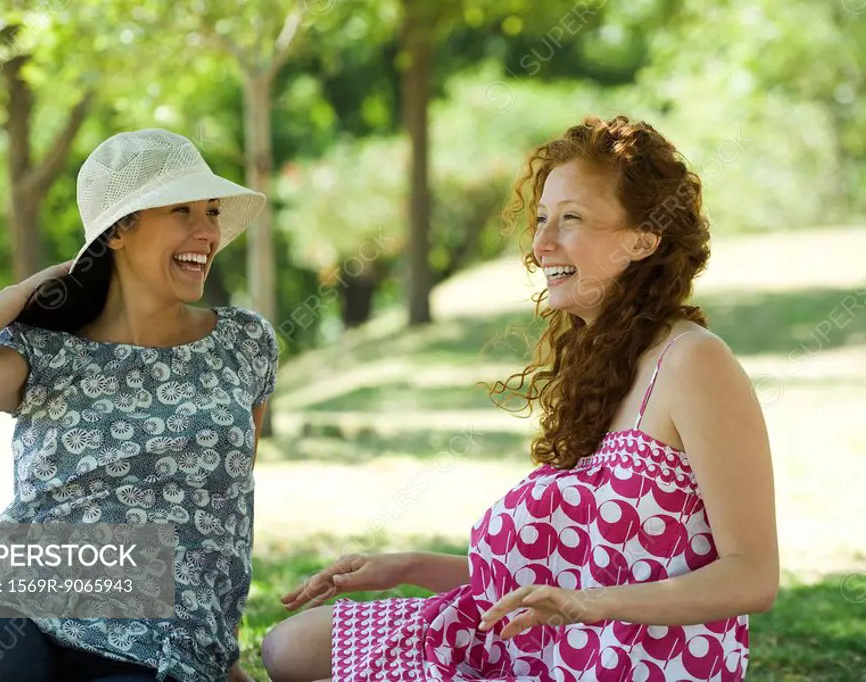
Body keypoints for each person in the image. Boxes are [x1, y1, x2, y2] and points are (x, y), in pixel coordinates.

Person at [260, 115, 779, 682]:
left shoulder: (694, 362)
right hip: (537, 645)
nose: (541, 243)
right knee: (289, 648)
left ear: (643, 239)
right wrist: (404, 566)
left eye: (571, 219)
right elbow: (545, 584)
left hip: (624, 664)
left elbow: (751, 577)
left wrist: (593, 605)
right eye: (541, 220)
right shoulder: (602, 365)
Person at [0, 129, 277, 682]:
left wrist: (222, 649)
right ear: (119, 229)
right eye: (182, 210)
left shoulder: (244, 342)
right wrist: (36, 285)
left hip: (164, 632)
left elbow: (229, 503)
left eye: (212, 212)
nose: (207, 232)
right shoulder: (47, 350)